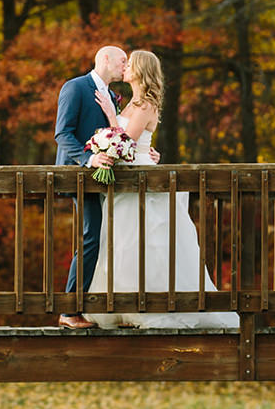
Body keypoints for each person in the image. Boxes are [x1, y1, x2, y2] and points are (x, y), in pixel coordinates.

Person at [87, 49, 239, 330]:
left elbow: (127, 143)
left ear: (140, 70)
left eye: (130, 64)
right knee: (123, 240)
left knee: (149, 240)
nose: (125, 68)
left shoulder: (145, 104)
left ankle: (153, 304)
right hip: (128, 177)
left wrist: (110, 116)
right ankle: (125, 303)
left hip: (142, 179)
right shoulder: (131, 103)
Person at [54, 44, 128, 328]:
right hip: (79, 176)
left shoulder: (112, 96)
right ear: (105, 58)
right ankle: (69, 310)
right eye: (122, 60)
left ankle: (90, 307)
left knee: (102, 238)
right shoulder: (75, 87)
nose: (125, 66)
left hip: (103, 180)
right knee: (90, 237)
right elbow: (63, 133)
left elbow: (116, 135)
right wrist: (88, 158)